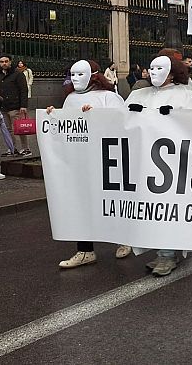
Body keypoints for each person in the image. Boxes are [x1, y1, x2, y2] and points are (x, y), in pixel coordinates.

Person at [126, 51, 192, 276]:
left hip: (174, 162)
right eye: (151, 68)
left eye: (160, 68)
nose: (154, 72)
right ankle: (161, 251)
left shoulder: (186, 96)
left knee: (169, 207)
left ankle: (168, 254)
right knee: (151, 208)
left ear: (172, 73)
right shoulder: (139, 95)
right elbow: (117, 121)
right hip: (145, 161)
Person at [49, 60, 130, 268]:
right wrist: (52, 117)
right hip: (80, 162)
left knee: (111, 201)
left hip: (106, 161)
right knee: (82, 205)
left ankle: (124, 239)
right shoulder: (70, 99)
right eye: (72, 74)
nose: (75, 79)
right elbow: (65, 130)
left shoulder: (109, 97)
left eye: (80, 74)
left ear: (93, 75)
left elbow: (124, 124)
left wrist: (97, 115)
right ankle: (85, 250)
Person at [0, 54, 30, 157]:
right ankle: (12, 148)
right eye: (1, 62)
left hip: (16, 106)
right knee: (8, 129)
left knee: (20, 128)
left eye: (6, 61)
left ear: (10, 62)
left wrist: (23, 105)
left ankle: (25, 148)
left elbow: (24, 90)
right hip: (4, 106)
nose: (4, 63)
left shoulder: (17, 74)